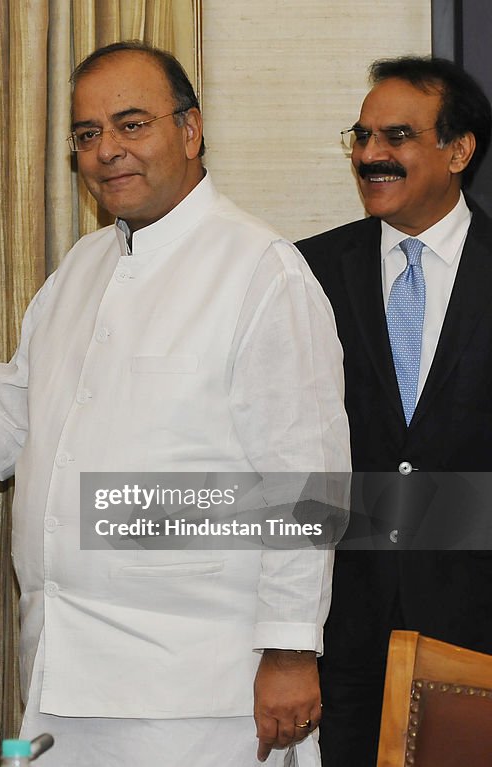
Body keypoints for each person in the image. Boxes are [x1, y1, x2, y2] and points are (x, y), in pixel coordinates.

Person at [0, 42, 351, 766]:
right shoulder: (83, 268)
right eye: (87, 135)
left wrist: (289, 649)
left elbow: (307, 481)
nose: (107, 151)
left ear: (190, 130)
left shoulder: (261, 270)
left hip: (201, 688)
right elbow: (4, 416)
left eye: (131, 124)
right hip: (65, 672)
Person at [297, 55, 492, 767]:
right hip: (340, 631)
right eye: (361, 135)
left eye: (396, 136)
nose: (370, 154)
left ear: (458, 150)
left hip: (479, 633)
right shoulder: (306, 272)